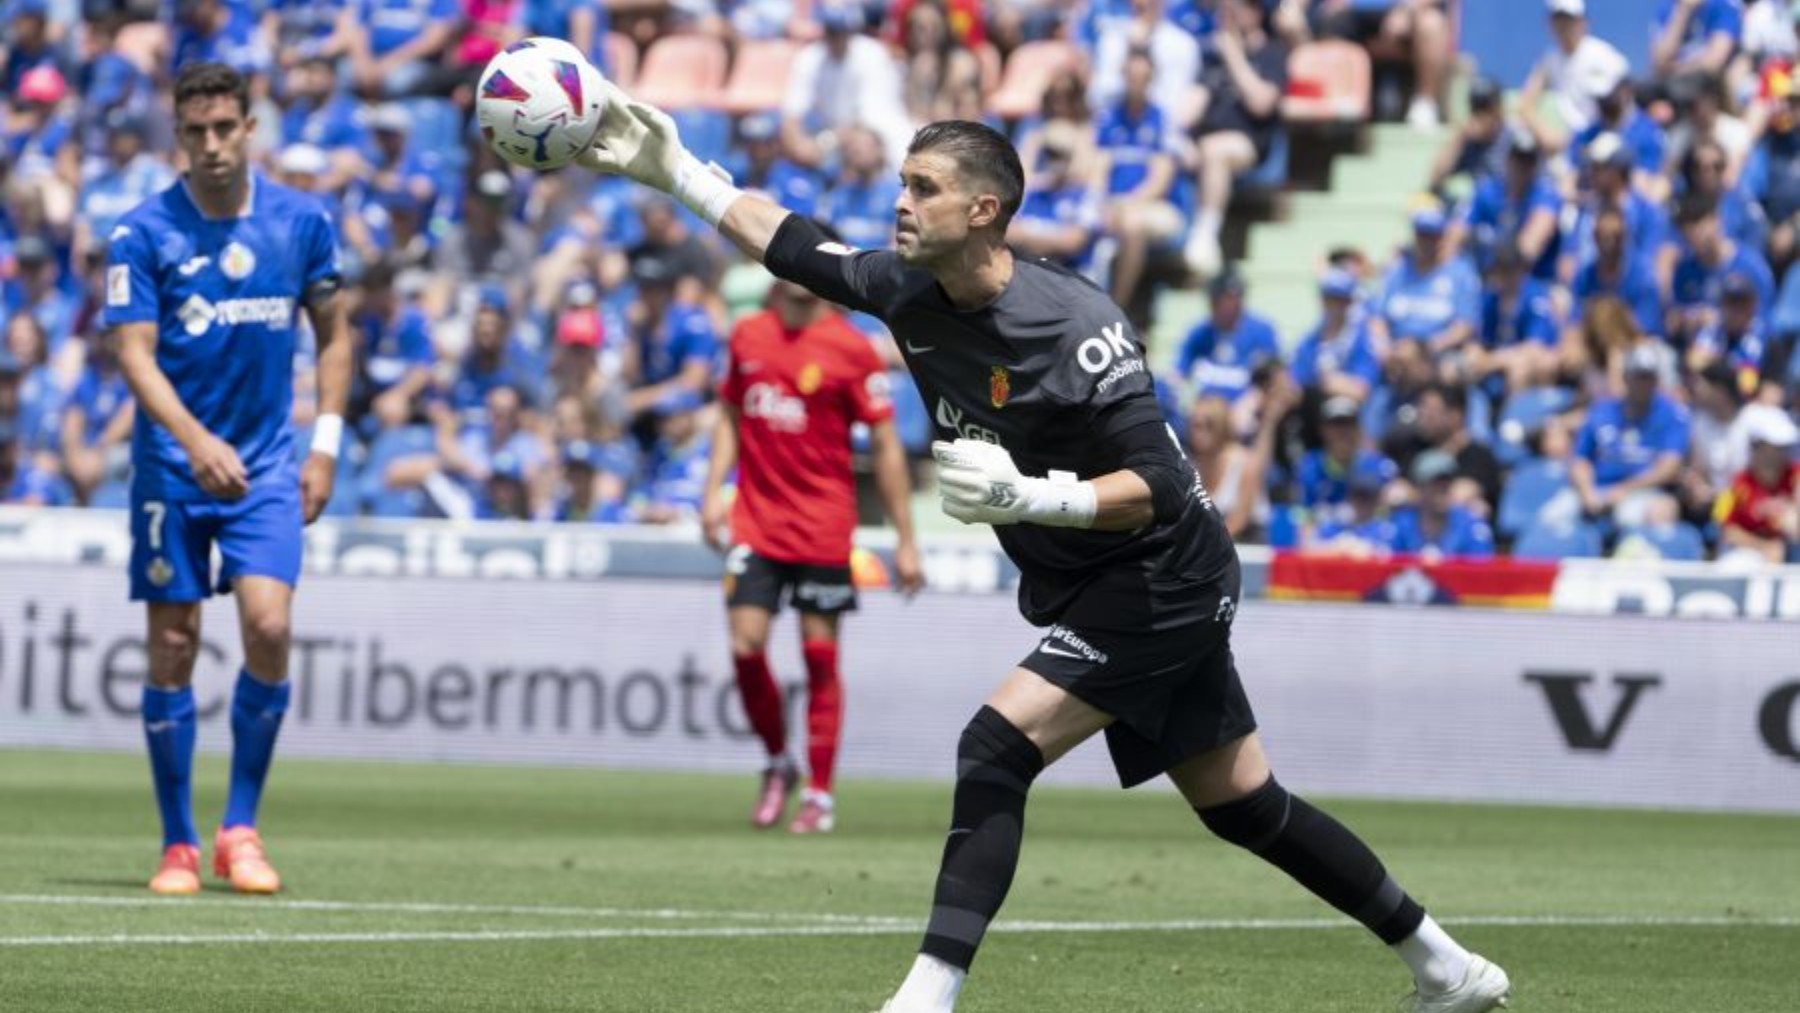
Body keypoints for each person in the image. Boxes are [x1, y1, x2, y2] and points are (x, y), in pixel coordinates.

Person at [572, 90, 1509, 1012]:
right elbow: (793, 240)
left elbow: (1165, 482)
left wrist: (1034, 496)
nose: (902, 201)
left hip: (1162, 573)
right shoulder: (905, 288)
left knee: (995, 745)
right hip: (1097, 577)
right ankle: (1446, 967)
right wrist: (677, 172)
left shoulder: (1077, 325)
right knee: (1243, 805)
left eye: (923, 187)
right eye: (902, 181)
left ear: (983, 211)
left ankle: (925, 999)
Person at [107, 62, 350, 895]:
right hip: (173, 471)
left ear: (251, 128)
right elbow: (134, 354)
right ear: (178, 136)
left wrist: (326, 445)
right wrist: (194, 439)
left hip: (269, 466)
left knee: (270, 627)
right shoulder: (141, 233)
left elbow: (336, 338)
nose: (210, 146)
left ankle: (238, 828)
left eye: (224, 129)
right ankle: (177, 842)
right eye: (194, 132)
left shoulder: (301, 222)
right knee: (173, 643)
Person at [702, 277, 925, 834]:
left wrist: (905, 538)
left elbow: (886, 443)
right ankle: (779, 761)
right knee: (744, 645)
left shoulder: (851, 349)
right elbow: (731, 413)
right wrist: (712, 493)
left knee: (818, 656)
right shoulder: (749, 335)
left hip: (823, 528)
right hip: (756, 521)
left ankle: (821, 792)